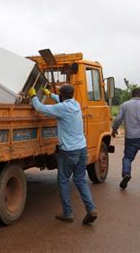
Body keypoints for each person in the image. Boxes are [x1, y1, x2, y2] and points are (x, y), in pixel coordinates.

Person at [28, 85, 97, 224]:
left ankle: (68, 213)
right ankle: (91, 209)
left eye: (59, 94)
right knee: (80, 180)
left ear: (62, 96)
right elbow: (60, 100)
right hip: (82, 148)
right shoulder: (75, 104)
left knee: (63, 181)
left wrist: (33, 96)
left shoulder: (62, 109)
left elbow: (40, 108)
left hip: (69, 151)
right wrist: (49, 94)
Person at [112, 88, 140, 189]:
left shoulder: (125, 105)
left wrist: (114, 129)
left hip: (131, 138)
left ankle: (126, 173)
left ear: (132, 95)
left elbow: (118, 119)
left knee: (127, 157)